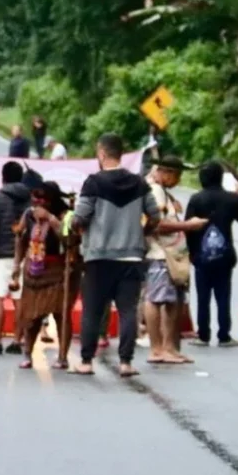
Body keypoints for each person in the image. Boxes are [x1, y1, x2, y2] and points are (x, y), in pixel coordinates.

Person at [71, 133, 159, 377]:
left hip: (99, 257)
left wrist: (77, 229)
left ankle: (86, 362)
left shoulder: (93, 183)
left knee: (93, 310)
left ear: (101, 153)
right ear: (121, 153)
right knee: (128, 310)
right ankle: (126, 363)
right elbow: (155, 216)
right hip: (131, 256)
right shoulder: (140, 184)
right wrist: (141, 234)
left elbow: (80, 217)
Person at [142, 156, 206, 365]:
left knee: (172, 300)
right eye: (175, 175)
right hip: (160, 253)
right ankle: (158, 348)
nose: (177, 180)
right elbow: (156, 224)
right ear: (165, 173)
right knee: (157, 299)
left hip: (170, 253)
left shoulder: (162, 192)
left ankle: (169, 347)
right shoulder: (155, 191)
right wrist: (188, 226)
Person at [184, 161, 238, 347]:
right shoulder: (231, 199)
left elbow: (188, 227)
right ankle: (224, 334)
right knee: (223, 295)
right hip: (225, 254)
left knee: (203, 296)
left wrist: (191, 252)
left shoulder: (196, 199)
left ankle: (203, 334)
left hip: (201, 255)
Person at [12, 181, 75, 369]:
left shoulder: (66, 215)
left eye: (42, 199)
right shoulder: (28, 215)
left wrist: (51, 219)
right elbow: (20, 238)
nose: (37, 203)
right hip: (34, 270)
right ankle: (27, 354)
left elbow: (70, 239)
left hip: (59, 271)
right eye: (35, 198)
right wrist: (17, 264)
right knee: (31, 316)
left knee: (60, 314)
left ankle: (62, 356)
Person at [0, 161, 30, 354]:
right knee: (20, 299)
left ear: (3, 177)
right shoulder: (30, 200)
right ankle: (17, 341)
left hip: (0, 255)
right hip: (24, 256)